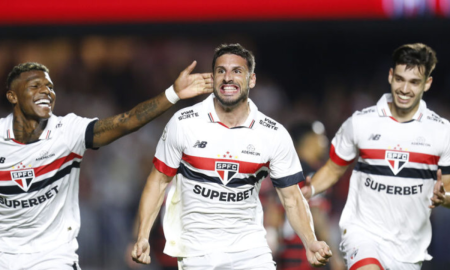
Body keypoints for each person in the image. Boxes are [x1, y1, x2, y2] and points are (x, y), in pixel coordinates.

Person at [131, 43, 332, 269]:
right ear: (213, 78)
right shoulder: (184, 123)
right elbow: (158, 182)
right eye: (221, 71)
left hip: (252, 253)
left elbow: (292, 198)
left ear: (251, 80)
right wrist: (142, 236)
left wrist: (310, 241)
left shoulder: (272, 133)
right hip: (198, 255)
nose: (228, 78)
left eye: (237, 71)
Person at [0, 61, 212, 270]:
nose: (46, 91)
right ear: (12, 96)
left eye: (49, 87)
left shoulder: (66, 131)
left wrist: (172, 94)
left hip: (52, 260)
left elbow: (127, 120)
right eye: (35, 86)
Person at [301, 43, 450, 270]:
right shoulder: (361, 122)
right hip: (363, 233)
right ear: (391, 76)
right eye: (400, 79)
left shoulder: (441, 132)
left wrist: (444, 197)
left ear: (427, 83)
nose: (405, 89)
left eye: (414, 82)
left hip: (409, 246)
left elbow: (447, 187)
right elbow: (334, 168)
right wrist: (308, 191)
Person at [279, 121, 345, 270]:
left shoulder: (286, 169)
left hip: (287, 253)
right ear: (308, 141)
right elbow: (316, 213)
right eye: (320, 137)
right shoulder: (311, 174)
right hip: (307, 256)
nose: (325, 142)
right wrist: (334, 255)